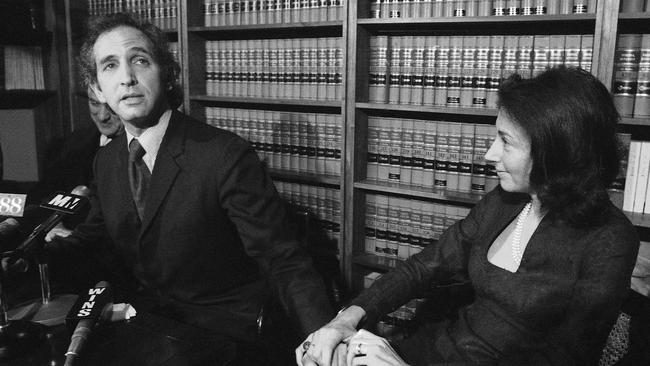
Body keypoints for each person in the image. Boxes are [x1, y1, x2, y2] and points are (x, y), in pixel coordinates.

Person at [297, 66, 640, 366]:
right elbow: (423, 267)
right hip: (436, 350)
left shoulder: (610, 239)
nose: (489, 154)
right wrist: (348, 320)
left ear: (556, 152)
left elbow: (565, 358)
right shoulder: (505, 200)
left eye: (505, 142)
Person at [47, 12, 333, 360]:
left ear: (165, 74)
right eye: (109, 66)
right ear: (96, 88)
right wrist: (28, 252)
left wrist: (325, 342)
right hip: (151, 326)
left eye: (140, 60)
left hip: (227, 335)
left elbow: (283, 261)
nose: (127, 78)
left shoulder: (223, 155)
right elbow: (94, 238)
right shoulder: (106, 161)